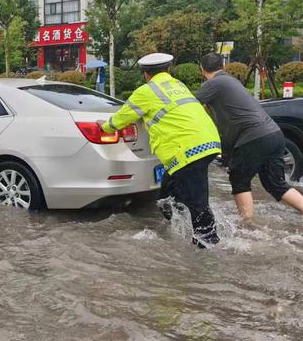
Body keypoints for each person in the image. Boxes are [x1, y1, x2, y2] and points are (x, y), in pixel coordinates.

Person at [99, 53, 222, 247]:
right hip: (206, 142)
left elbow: (123, 117)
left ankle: (208, 247)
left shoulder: (146, 92)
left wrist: (104, 127)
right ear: (169, 70)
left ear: (146, 75)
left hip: (188, 150)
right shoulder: (178, 85)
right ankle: (180, 230)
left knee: (197, 201)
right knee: (166, 197)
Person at [196, 53, 303, 220]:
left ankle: (247, 225)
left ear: (202, 70)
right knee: (276, 185)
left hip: (254, 137)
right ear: (223, 66)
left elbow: (189, 106)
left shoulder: (213, 84)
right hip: (274, 134)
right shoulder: (231, 81)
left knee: (239, 179)